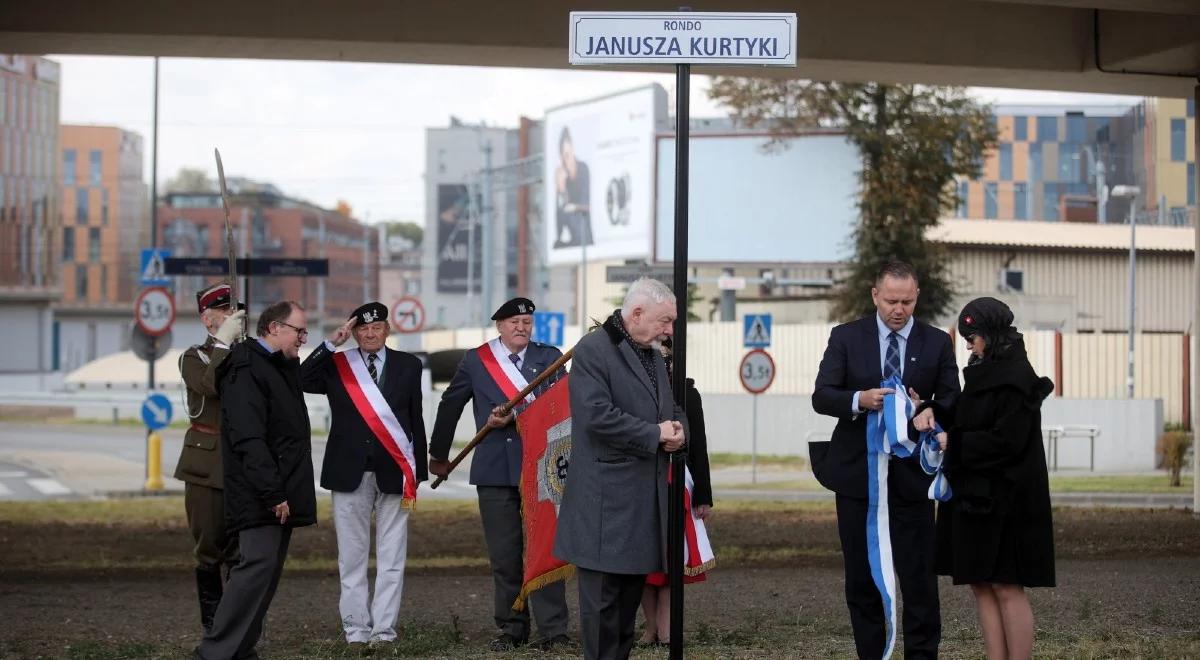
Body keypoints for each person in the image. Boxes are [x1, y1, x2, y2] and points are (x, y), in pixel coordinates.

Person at [811, 261, 959, 659]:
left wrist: (925, 407)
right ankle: (872, 653)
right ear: (875, 295)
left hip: (912, 480)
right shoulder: (846, 337)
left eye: (907, 301)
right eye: (891, 300)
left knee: (919, 579)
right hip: (858, 479)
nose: (899, 309)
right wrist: (861, 399)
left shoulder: (937, 342)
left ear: (917, 297)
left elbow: (952, 401)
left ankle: (922, 655)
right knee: (861, 578)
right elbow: (822, 395)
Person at [428, 297, 572, 651]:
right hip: (495, 469)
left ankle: (553, 631)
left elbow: (563, 408)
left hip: (541, 467)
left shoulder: (549, 357)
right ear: (499, 326)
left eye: (526, 321)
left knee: (545, 549)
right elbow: (451, 403)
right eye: (514, 322)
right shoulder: (477, 361)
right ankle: (512, 628)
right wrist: (438, 454)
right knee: (505, 555)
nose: (521, 327)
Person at [554, 277, 685, 660]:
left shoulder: (653, 353)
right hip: (604, 510)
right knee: (601, 616)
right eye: (665, 321)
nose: (669, 330)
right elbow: (596, 416)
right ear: (637, 313)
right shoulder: (594, 350)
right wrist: (655, 434)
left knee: (624, 617)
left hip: (642, 508)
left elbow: (672, 410)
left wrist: (679, 431)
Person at [919, 297, 1055, 660]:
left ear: (991, 335)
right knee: (981, 584)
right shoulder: (983, 369)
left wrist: (955, 442)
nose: (967, 344)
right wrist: (928, 408)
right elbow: (967, 417)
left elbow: (1007, 441)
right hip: (974, 497)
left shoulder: (1016, 378)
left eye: (973, 335)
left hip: (1006, 500)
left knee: (1007, 586)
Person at [194, 300, 317, 660]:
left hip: (279, 491)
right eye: (299, 332)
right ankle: (214, 652)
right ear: (275, 328)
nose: (303, 340)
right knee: (253, 572)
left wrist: (331, 344)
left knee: (264, 576)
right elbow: (249, 439)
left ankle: (240, 650)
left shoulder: (277, 365)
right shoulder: (247, 367)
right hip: (261, 494)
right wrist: (272, 492)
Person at [301, 302, 427, 651]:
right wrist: (331, 343)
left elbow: (415, 419)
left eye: (377, 327)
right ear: (354, 332)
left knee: (392, 557)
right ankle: (356, 630)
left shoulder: (409, 365)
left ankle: (383, 632)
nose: (370, 334)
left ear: (387, 330)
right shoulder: (338, 364)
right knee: (352, 556)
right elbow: (301, 380)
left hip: (393, 471)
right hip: (348, 471)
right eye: (363, 329)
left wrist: (418, 471)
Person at [175, 282, 246, 634]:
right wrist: (223, 344)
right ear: (207, 319)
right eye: (226, 313)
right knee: (208, 550)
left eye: (238, 313)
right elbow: (209, 386)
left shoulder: (248, 356)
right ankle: (212, 629)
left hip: (243, 466)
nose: (236, 318)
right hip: (206, 467)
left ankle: (235, 628)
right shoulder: (194, 357)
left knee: (240, 553)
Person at [638, 338, 713, 647]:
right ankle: (650, 627)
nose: (661, 363)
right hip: (639, 485)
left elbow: (699, 446)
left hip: (676, 486)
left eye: (666, 358)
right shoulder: (633, 390)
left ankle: (668, 627)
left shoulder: (687, 393)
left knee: (670, 560)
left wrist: (703, 495)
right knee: (642, 562)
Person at [553, 126, 593, 249]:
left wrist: (573, 207)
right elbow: (560, 231)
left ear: (573, 149)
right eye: (563, 157)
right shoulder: (563, 178)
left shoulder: (583, 169)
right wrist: (561, 190)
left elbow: (586, 207)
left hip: (584, 240)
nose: (566, 162)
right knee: (556, 246)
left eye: (567, 156)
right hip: (571, 244)